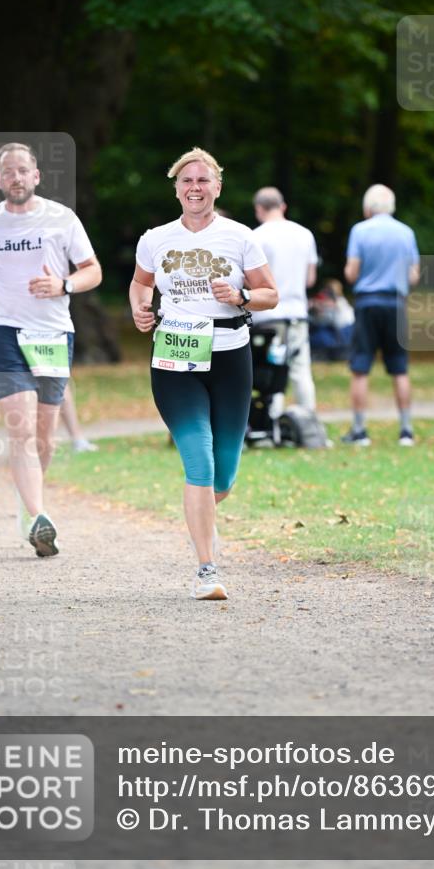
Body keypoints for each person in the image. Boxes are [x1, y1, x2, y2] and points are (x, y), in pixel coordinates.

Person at [130, 147, 277, 600]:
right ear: (176, 188)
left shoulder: (240, 237)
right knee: (199, 458)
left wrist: (239, 295)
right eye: (187, 181)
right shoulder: (155, 238)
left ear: (217, 187)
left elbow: (271, 294)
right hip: (175, 357)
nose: (195, 188)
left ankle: (198, 516)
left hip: (230, 357)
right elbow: (141, 283)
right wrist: (138, 308)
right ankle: (206, 570)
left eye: (204, 181)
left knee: (224, 477)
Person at [0, 142, 102, 556]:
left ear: (36, 176)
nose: (16, 177)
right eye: (8, 172)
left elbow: (93, 270)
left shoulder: (62, 218)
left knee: (44, 435)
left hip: (52, 333)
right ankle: (40, 516)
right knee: (21, 427)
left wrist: (64, 285)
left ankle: (28, 510)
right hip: (1, 329)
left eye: (23, 170)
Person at [342, 184, 420, 446]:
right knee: (399, 367)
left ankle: (360, 430)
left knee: (360, 367)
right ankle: (406, 430)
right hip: (395, 304)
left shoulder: (359, 231)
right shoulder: (406, 232)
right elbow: (414, 275)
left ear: (368, 207)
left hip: (367, 303)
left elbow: (352, 272)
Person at [250, 187, 318, 415]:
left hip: (267, 316)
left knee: (272, 368)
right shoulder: (305, 234)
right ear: (283, 206)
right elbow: (310, 279)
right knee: (301, 370)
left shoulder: (257, 236)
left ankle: (273, 420)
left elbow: (251, 280)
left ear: (259, 209)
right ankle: (309, 421)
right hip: (297, 313)